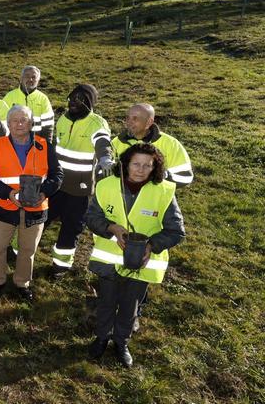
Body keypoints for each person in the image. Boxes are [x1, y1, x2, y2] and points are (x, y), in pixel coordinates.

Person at [85, 143, 185, 367]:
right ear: (126, 164)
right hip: (109, 259)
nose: (140, 170)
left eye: (147, 165)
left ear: (154, 168)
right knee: (106, 302)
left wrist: (151, 245)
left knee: (130, 306)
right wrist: (111, 228)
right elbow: (91, 218)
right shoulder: (106, 186)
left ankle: (121, 343)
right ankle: (101, 338)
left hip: (141, 264)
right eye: (136, 164)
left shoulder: (164, 191)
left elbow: (176, 231)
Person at [0, 105, 63, 302]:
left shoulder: (44, 145)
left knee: (27, 250)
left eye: (24, 120)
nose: (19, 124)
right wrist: (7, 193)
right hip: (5, 207)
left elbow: (57, 175)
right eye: (15, 120)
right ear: (8, 124)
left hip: (35, 208)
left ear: (31, 123)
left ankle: (22, 283)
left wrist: (44, 192)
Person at [45, 84, 113, 275]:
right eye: (71, 99)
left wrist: (105, 157)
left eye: (80, 100)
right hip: (55, 183)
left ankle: (61, 265)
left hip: (79, 189)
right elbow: (55, 145)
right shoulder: (63, 120)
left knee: (71, 226)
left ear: (89, 102)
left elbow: (102, 142)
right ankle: (21, 251)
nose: (74, 103)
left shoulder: (97, 123)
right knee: (40, 218)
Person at [112, 103, 193, 188]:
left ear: (149, 122)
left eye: (135, 119)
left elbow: (186, 177)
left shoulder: (170, 143)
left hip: (158, 199)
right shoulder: (116, 142)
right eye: (127, 118)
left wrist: (163, 176)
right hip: (122, 199)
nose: (128, 122)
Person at [2, 65, 55, 143]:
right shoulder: (9, 97)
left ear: (38, 80)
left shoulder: (43, 99)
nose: (30, 79)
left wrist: (46, 146)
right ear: (21, 78)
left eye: (34, 77)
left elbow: (48, 127)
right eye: (27, 76)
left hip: (35, 145)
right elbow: (2, 123)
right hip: (12, 143)